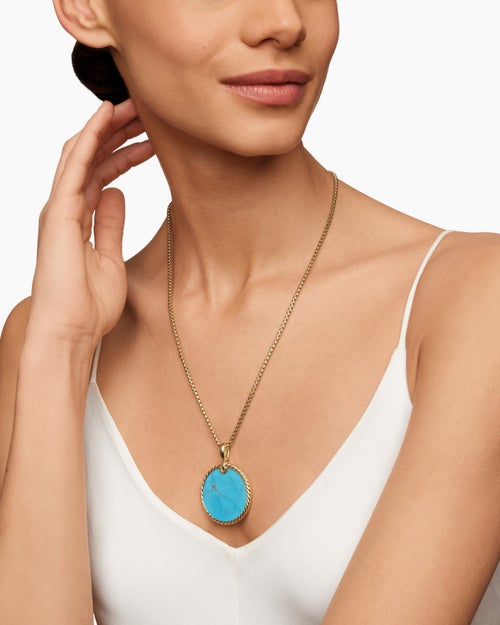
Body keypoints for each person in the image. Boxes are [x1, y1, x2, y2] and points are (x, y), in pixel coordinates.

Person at [0, 0, 498, 623]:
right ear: (86, 9)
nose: (285, 22)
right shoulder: (46, 340)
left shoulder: (474, 302)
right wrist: (61, 347)